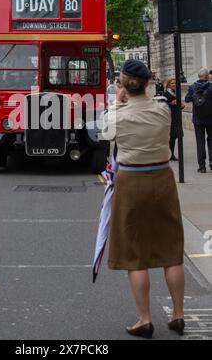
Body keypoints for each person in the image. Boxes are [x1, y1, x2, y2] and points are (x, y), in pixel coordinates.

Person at [102, 60, 185, 339]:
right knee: (172, 250)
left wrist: (117, 102)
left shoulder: (116, 116)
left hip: (132, 180)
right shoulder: (162, 109)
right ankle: (178, 314)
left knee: (134, 254)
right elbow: (158, 112)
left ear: (123, 86)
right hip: (162, 178)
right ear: (148, 83)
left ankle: (145, 319)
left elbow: (107, 136)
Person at [185, 68, 212, 173]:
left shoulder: (193, 87)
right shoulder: (211, 87)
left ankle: (202, 166)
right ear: (207, 76)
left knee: (200, 142)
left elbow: (187, 99)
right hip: (210, 118)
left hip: (198, 119)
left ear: (199, 76)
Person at [164, 77, 185, 161]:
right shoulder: (166, 94)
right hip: (170, 117)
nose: (174, 85)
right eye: (172, 83)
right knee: (171, 136)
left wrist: (182, 106)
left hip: (177, 117)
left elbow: (179, 104)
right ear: (168, 84)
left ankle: (171, 154)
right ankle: (169, 154)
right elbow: (163, 105)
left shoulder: (177, 93)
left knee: (175, 136)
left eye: (175, 83)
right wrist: (170, 103)